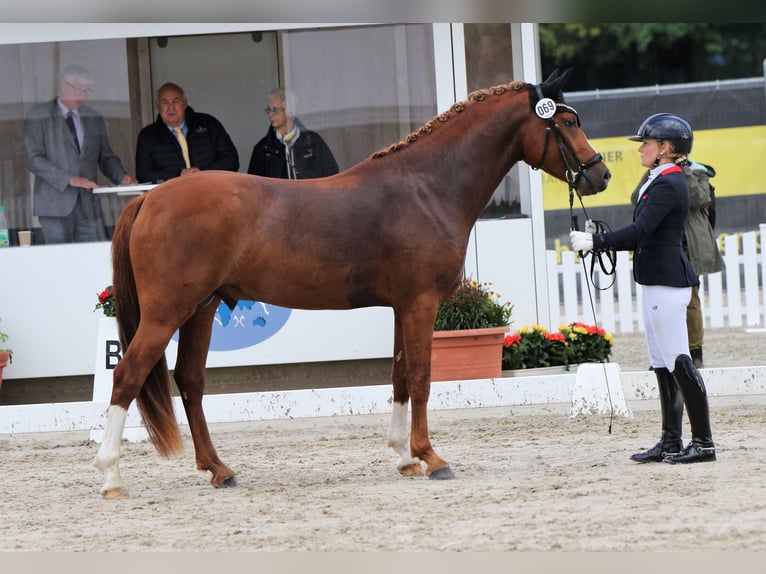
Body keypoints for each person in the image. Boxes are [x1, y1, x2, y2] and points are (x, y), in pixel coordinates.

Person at [570, 113, 716, 464]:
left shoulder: (669, 182)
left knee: (679, 360)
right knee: (662, 364)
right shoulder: (658, 178)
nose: (641, 149)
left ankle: (704, 442)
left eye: (646, 144)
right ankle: (670, 440)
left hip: (668, 282)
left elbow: (641, 231)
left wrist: (596, 241)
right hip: (654, 280)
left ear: (665, 148)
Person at [23, 64, 137, 244]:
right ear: (63, 85)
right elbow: (32, 158)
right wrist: (69, 179)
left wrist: (121, 177)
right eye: (78, 89)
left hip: (88, 205)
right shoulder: (39, 116)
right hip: (54, 205)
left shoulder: (93, 117)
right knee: (59, 262)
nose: (82, 96)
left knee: (91, 260)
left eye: (87, 91)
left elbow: (105, 155)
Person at [631, 159, 724, 369]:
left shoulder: (699, 173)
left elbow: (698, 198)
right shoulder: (657, 175)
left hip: (688, 244)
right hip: (666, 242)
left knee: (691, 299)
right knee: (661, 302)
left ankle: (694, 351)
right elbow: (636, 198)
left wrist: (685, 170)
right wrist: (654, 173)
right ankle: (664, 355)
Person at [135, 82, 239, 183]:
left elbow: (231, 160)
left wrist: (201, 173)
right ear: (158, 106)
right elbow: (143, 173)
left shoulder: (209, 123)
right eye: (165, 102)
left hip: (212, 192)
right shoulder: (148, 136)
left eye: (176, 101)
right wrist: (178, 175)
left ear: (185, 103)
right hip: (171, 197)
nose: (171, 107)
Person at [247, 87, 339, 179]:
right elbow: (253, 186)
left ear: (290, 111)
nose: (271, 114)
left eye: (276, 110)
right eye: (268, 110)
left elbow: (332, 176)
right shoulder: (262, 149)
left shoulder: (313, 141)